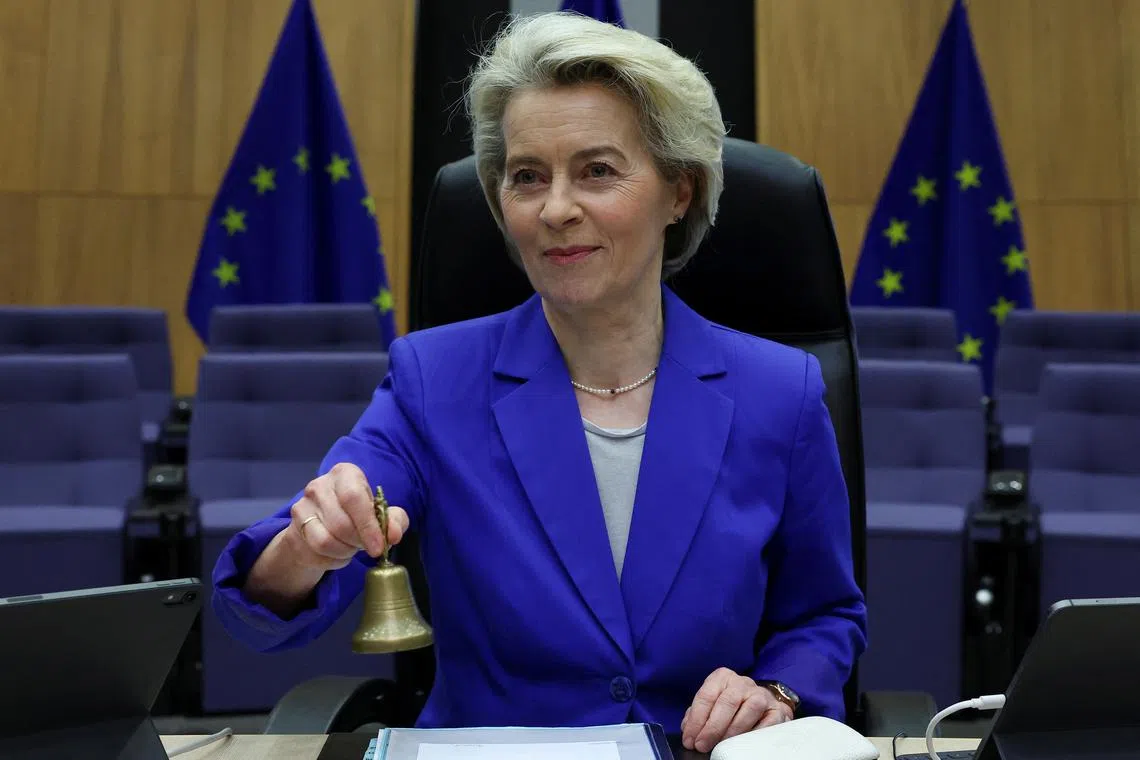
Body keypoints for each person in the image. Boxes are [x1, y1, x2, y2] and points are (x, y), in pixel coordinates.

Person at [212, 11, 867, 754]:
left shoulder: (781, 391)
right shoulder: (434, 379)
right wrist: (310, 544)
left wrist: (778, 691)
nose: (557, 209)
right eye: (528, 177)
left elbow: (824, 615)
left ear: (679, 191)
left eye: (597, 170)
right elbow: (259, 609)